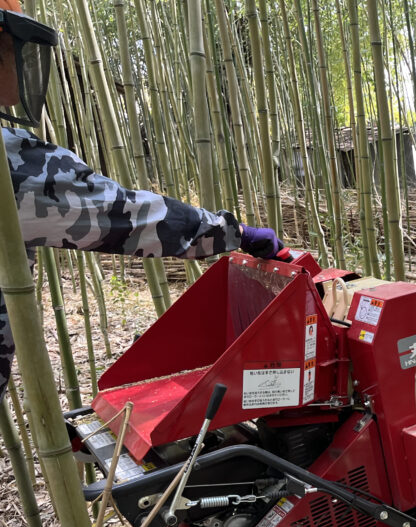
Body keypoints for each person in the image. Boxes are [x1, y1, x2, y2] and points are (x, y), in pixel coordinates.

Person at [0, 0, 287, 402]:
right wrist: (235, 232)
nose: (24, 64)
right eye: (15, 47)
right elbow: (126, 215)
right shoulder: (11, 166)